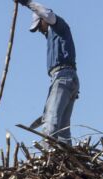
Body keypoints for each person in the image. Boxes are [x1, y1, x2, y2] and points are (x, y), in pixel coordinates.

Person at [16, 0, 79, 144]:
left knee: (51, 120)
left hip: (63, 77)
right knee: (63, 129)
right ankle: (65, 156)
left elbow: (47, 13)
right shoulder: (52, 37)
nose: (39, 30)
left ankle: (46, 152)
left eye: (39, 26)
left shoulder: (59, 27)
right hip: (67, 78)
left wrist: (26, 2)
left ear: (44, 20)